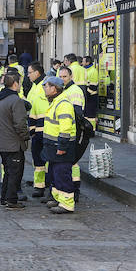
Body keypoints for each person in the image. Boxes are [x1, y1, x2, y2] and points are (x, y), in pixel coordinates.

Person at [0, 72, 28, 208]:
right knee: (15, 173)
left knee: (7, 172)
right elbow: (20, 123)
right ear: (15, 84)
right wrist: (26, 136)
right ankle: (11, 199)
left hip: (2, 142)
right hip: (13, 143)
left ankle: (5, 197)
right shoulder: (16, 100)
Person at [41, 76, 76, 214]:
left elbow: (65, 129)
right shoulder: (56, 102)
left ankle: (67, 204)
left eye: (46, 86)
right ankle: (58, 199)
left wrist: (62, 147)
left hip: (60, 147)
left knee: (62, 174)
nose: (44, 88)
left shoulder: (63, 104)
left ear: (54, 88)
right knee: (56, 174)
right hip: (53, 145)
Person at [57, 66, 85, 197]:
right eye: (60, 77)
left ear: (71, 77)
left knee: (72, 163)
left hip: (73, 131)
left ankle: (75, 189)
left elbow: (77, 114)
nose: (62, 79)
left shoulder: (75, 90)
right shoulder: (64, 90)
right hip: (66, 131)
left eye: (65, 77)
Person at [25, 63, 49, 197]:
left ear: (37, 73)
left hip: (45, 129)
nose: (28, 75)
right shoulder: (35, 86)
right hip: (36, 128)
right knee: (37, 159)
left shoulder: (44, 86)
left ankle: (45, 184)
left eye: (30, 72)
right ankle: (39, 184)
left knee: (44, 159)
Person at [81, 55, 99, 127]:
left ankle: (92, 130)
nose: (82, 63)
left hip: (91, 96)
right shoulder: (84, 70)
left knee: (91, 115)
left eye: (83, 61)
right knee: (86, 115)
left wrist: (86, 94)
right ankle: (87, 130)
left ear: (87, 62)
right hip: (86, 96)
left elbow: (93, 86)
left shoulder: (93, 71)